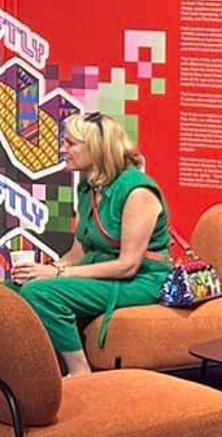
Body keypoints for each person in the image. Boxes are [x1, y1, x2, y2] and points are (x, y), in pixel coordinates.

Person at [9, 112, 173, 375]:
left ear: (96, 148)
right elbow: (79, 251)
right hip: (102, 272)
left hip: (142, 280)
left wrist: (58, 275)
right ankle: (24, 372)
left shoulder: (137, 191)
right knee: (12, 290)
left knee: (41, 294)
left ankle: (80, 372)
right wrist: (44, 270)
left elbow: (127, 266)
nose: (63, 149)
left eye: (71, 143)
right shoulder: (88, 184)